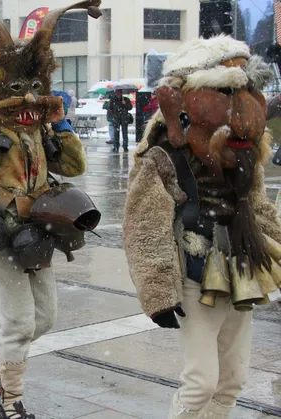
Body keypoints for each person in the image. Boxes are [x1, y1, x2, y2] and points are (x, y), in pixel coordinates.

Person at [0, 2, 100, 418]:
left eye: (33, 85)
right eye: (17, 88)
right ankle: (11, 401)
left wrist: (61, 126)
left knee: (44, 318)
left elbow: (73, 166)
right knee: (19, 322)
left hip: (39, 234)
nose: (27, 97)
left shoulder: (40, 128)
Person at [123, 35, 281, 419]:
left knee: (232, 379)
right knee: (201, 381)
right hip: (193, 271)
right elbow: (144, 227)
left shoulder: (244, 154)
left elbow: (260, 209)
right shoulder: (162, 157)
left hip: (240, 266)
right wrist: (158, 291)